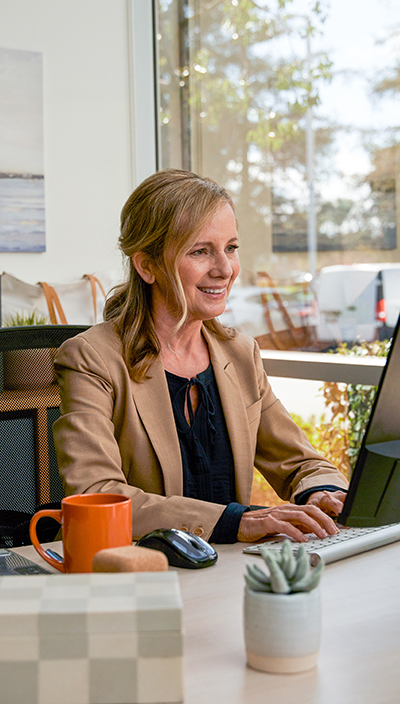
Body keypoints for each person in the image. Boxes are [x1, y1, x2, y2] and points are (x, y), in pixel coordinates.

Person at [53, 169, 349, 544]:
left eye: (231, 247)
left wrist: (321, 491)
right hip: (145, 572)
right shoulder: (91, 359)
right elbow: (96, 495)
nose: (224, 269)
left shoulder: (240, 353)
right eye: (200, 251)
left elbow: (302, 462)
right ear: (147, 266)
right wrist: (238, 521)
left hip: (228, 572)